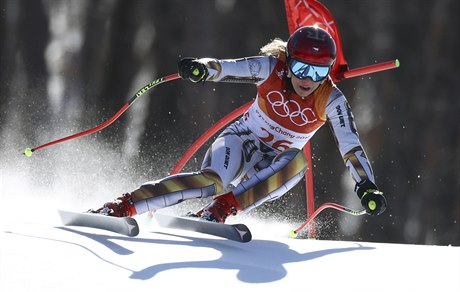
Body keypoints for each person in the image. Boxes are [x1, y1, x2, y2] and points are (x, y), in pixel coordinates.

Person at [90, 26, 387, 223]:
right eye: (300, 67)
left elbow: (351, 147)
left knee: (297, 161)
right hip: (241, 142)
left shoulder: (332, 99)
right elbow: (227, 67)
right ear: (289, 59)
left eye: (318, 71)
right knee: (212, 182)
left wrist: (366, 186)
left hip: (272, 166)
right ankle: (122, 206)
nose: (307, 79)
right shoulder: (271, 68)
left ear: (328, 72)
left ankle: (217, 212)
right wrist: (201, 69)